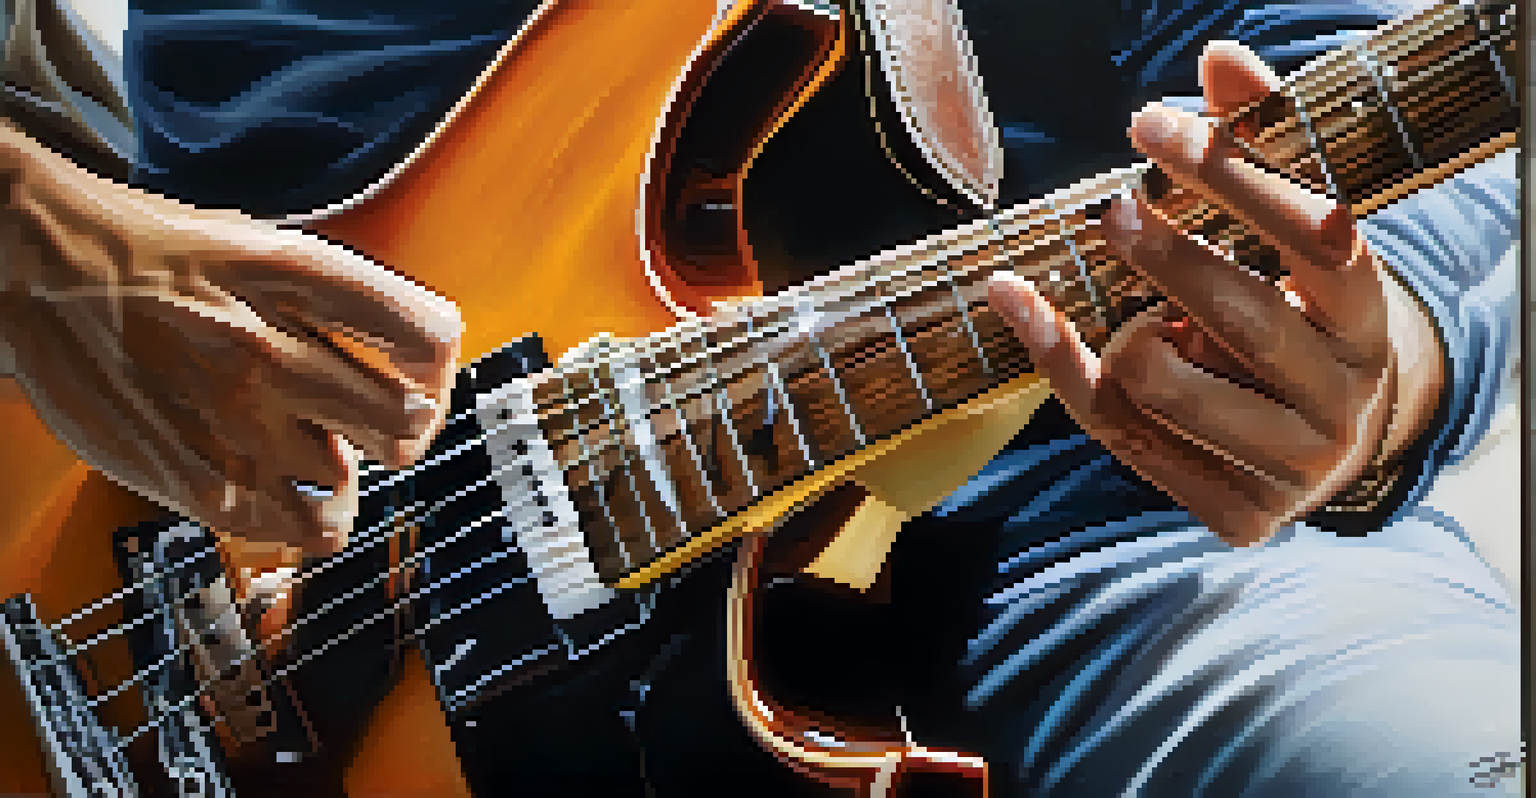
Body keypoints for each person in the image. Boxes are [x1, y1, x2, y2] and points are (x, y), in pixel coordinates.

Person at [0, 0, 1519, 795]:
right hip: (177, 436)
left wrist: (1375, 366)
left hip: (1070, 514)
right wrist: (30, 232)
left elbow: (1361, 56)